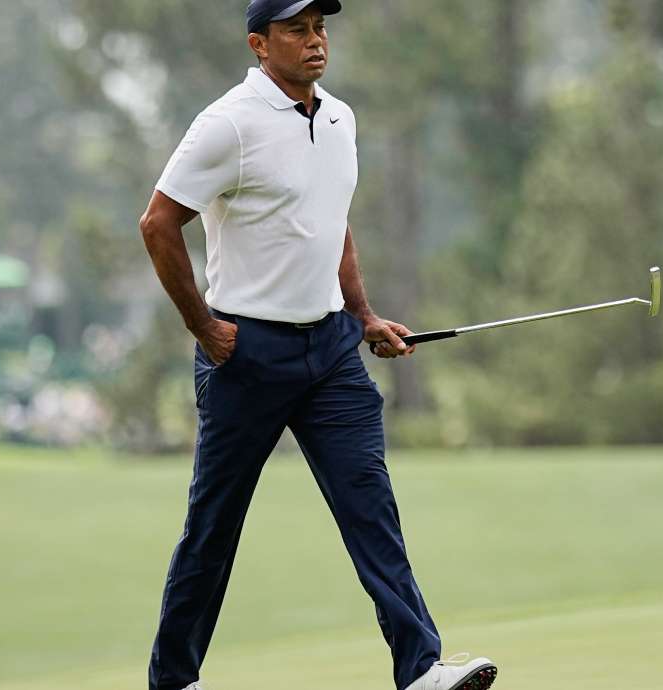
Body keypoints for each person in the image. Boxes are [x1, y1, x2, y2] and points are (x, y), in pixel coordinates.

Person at [136, 2, 498, 689]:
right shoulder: (228, 125)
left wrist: (363, 317)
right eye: (297, 30)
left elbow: (333, 223)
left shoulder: (339, 118)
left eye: (321, 28)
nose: (315, 42)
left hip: (330, 350)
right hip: (245, 352)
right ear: (259, 43)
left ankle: (420, 668)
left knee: (371, 506)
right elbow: (158, 224)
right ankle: (174, 680)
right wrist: (205, 329)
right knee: (213, 527)